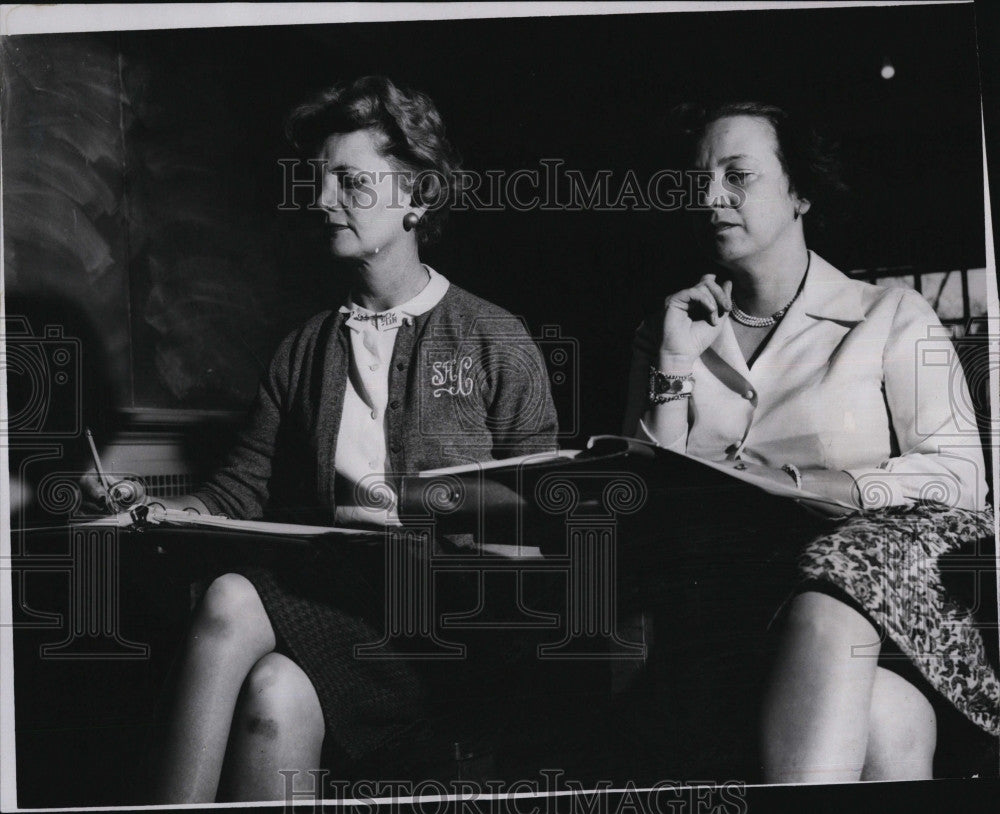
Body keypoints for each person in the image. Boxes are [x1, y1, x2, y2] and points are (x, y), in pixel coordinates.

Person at [139, 76, 558, 803]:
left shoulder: (495, 339)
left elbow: (543, 522)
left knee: (233, 598)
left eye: (351, 182)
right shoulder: (303, 350)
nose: (323, 199)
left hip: (447, 641)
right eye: (320, 179)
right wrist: (147, 507)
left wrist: (465, 537)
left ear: (418, 199)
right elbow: (238, 490)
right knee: (275, 693)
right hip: (334, 617)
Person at [623, 102, 997, 783]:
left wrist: (829, 488)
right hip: (718, 615)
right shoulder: (669, 329)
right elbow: (643, 498)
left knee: (834, 606)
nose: (710, 197)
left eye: (737, 176)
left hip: (863, 609)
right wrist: (676, 365)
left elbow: (960, 476)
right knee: (888, 723)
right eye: (697, 180)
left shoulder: (888, 315)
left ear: (801, 193)